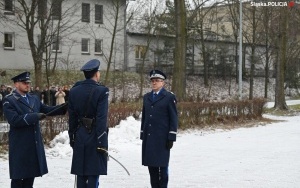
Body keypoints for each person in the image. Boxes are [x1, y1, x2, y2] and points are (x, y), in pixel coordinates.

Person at [2, 71, 68, 188]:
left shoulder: (34, 98)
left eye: (28, 82)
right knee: (18, 179)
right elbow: (14, 120)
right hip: (20, 145)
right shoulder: (9, 100)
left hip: (33, 144)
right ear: (16, 84)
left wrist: (63, 107)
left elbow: (46, 109)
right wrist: (35, 116)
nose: (28, 85)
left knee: (29, 178)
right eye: (24, 83)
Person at [68, 59, 109, 188]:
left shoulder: (74, 91)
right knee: (93, 174)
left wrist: (72, 137)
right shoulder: (102, 91)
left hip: (80, 135)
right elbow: (101, 119)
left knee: (80, 174)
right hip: (95, 136)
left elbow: (72, 118)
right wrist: (102, 142)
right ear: (96, 74)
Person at [140, 70, 178, 188]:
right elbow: (145, 116)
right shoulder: (146, 97)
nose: (154, 83)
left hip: (162, 139)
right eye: (152, 81)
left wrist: (171, 136)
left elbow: (173, 118)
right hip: (150, 138)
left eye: (157, 81)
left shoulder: (169, 97)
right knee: (152, 168)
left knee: (163, 167)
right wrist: (142, 133)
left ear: (163, 83)